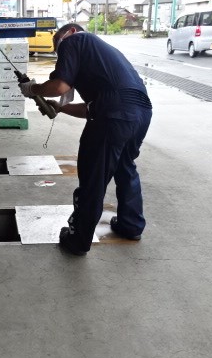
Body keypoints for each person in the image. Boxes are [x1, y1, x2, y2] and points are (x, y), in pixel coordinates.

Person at [18, 23, 153, 255]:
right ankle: (131, 225)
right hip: (141, 114)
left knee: (93, 178)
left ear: (70, 32)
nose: (60, 52)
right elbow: (93, 109)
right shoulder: (103, 57)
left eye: (57, 46)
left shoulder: (75, 40)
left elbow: (60, 85)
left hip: (114, 115)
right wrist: (61, 108)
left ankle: (78, 239)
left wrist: (33, 89)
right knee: (125, 167)